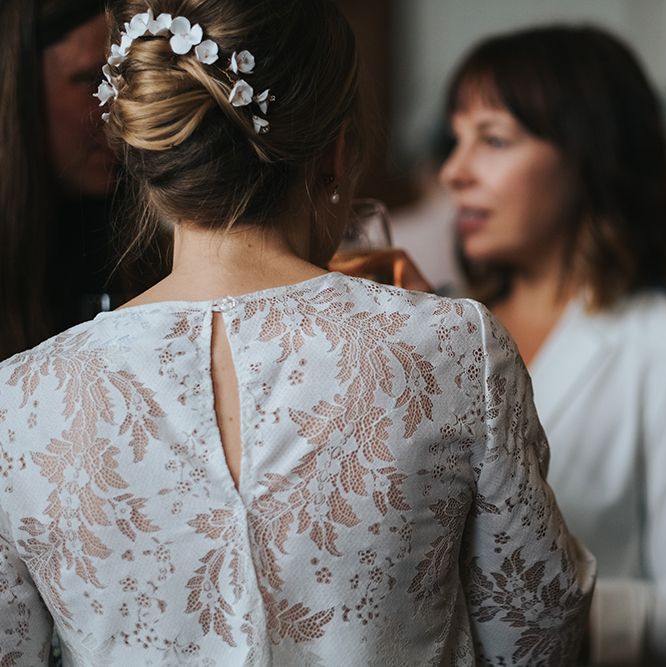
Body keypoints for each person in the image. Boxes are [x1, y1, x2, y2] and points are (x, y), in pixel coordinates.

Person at [0, 2, 595, 665]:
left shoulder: (20, 396)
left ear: (152, 160)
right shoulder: (453, 346)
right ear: (335, 155)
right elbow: (538, 636)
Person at [440, 24, 666, 666]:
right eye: (455, 140)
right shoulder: (442, 331)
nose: (453, 172)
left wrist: (527, 608)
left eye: (492, 139)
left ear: (588, 156)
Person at [0, 0, 164, 362]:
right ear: (16, 86)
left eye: (126, 81)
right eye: (92, 80)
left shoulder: (149, 246)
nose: (117, 108)